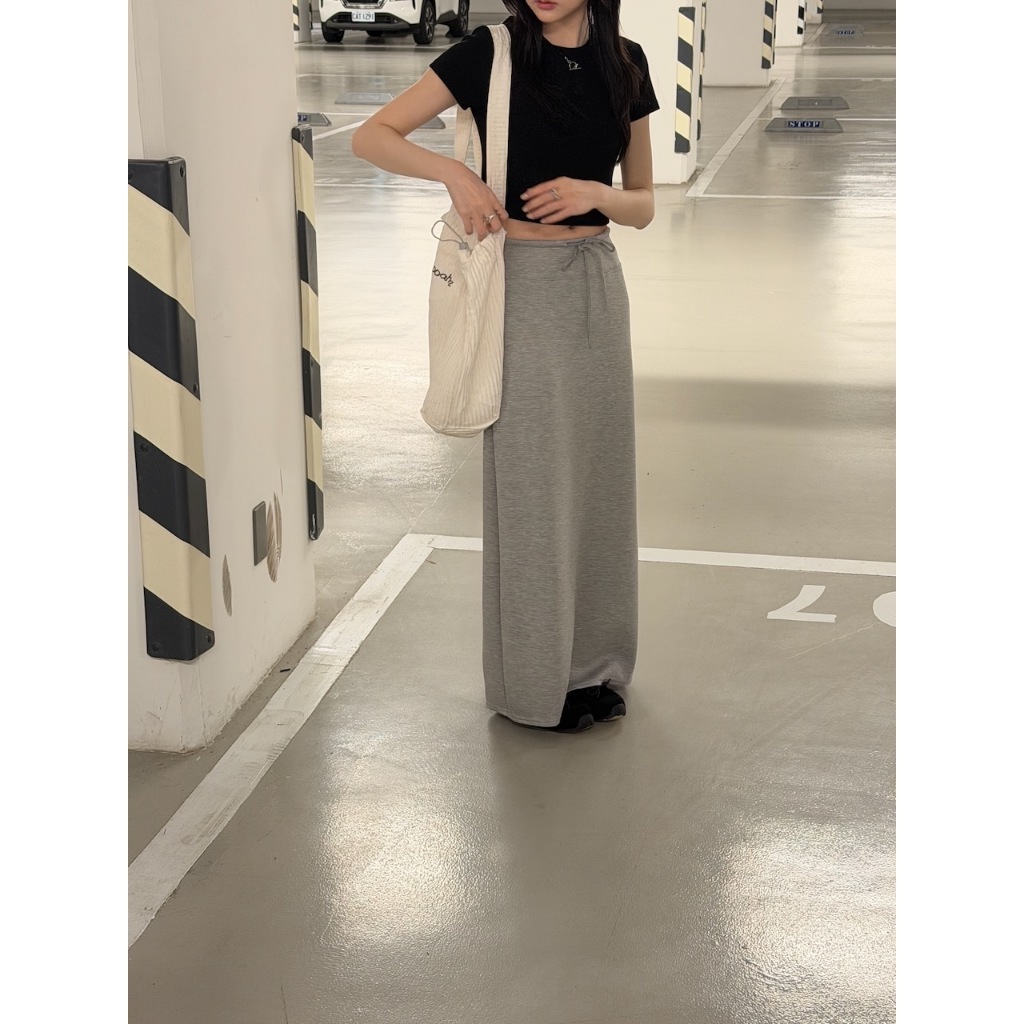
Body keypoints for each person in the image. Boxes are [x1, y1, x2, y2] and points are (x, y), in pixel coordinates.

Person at [352, 0, 658, 733]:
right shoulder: (490, 52)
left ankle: (594, 667)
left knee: (601, 482)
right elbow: (373, 136)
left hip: (596, 281)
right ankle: (535, 680)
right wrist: (453, 175)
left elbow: (643, 204)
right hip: (515, 286)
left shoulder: (626, 62)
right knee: (531, 490)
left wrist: (596, 195)